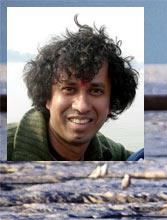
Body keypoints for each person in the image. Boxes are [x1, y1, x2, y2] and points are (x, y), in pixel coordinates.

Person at [7, 16, 139, 161]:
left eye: (96, 91)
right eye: (69, 89)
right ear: (47, 98)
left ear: (111, 102)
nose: (82, 107)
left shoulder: (114, 155)